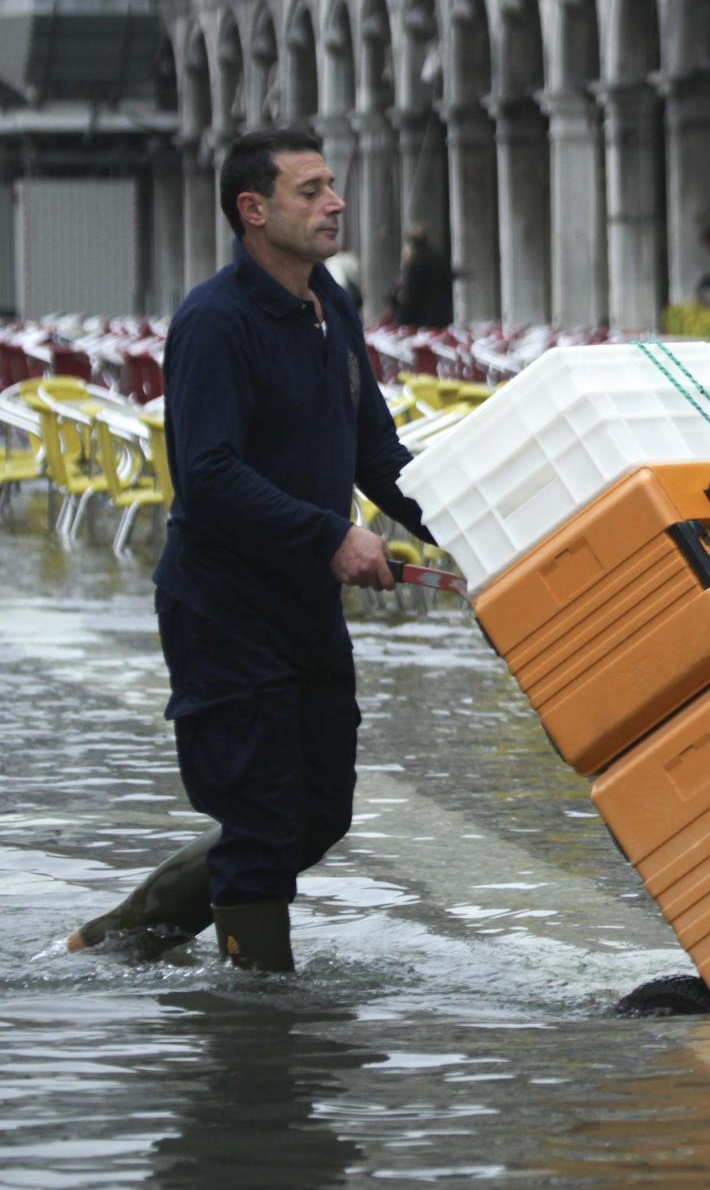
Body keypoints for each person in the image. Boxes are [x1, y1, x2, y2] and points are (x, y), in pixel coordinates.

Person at [64, 127, 432, 973]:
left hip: (305, 604)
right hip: (224, 611)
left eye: (332, 185)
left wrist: (475, 534)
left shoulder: (330, 302)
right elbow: (210, 475)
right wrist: (331, 534)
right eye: (310, 190)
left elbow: (375, 451)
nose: (334, 202)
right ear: (253, 210)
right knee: (265, 825)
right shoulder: (213, 323)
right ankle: (261, 1025)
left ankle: (119, 938)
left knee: (320, 813)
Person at [389, 223, 453, 329]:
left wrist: (403, 318)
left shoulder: (415, 261)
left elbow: (411, 292)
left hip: (420, 318)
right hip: (439, 315)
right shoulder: (436, 257)